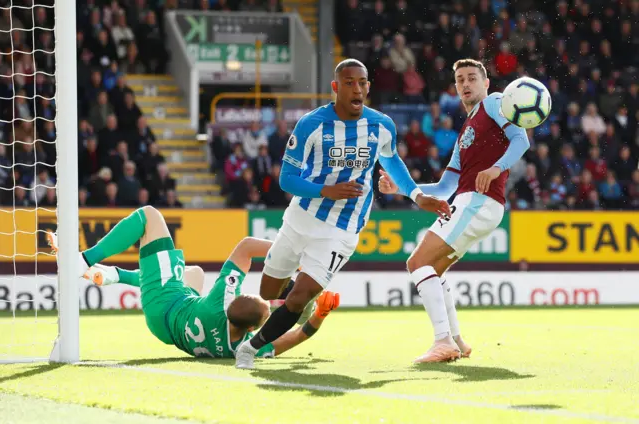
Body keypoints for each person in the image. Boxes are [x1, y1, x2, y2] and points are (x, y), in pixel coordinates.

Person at [234, 59, 449, 369]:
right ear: (335, 88)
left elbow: (392, 163)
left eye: (362, 82)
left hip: (342, 229)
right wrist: (325, 191)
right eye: (349, 83)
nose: (357, 89)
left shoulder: (381, 125)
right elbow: (287, 179)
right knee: (269, 292)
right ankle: (282, 307)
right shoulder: (311, 124)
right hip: (302, 217)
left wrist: (417, 195)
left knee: (298, 297)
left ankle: (249, 350)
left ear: (368, 87)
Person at [379, 58, 530, 363]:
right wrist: (403, 188)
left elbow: (521, 139)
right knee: (431, 269)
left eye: (472, 78)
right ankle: (456, 341)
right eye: (460, 79)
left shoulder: (495, 103)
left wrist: (496, 167)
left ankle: (442, 341)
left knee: (417, 262)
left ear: (486, 84)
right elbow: (445, 186)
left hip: (479, 201)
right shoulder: (465, 131)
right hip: (471, 202)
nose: (465, 84)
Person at [46, 206, 339, 359]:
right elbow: (294, 337)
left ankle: (83, 260)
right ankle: (113, 275)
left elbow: (247, 246)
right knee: (194, 273)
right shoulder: (245, 347)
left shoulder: (220, 301)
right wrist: (319, 316)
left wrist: (293, 257)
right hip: (165, 331)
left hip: (165, 301)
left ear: (233, 299)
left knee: (149, 216)